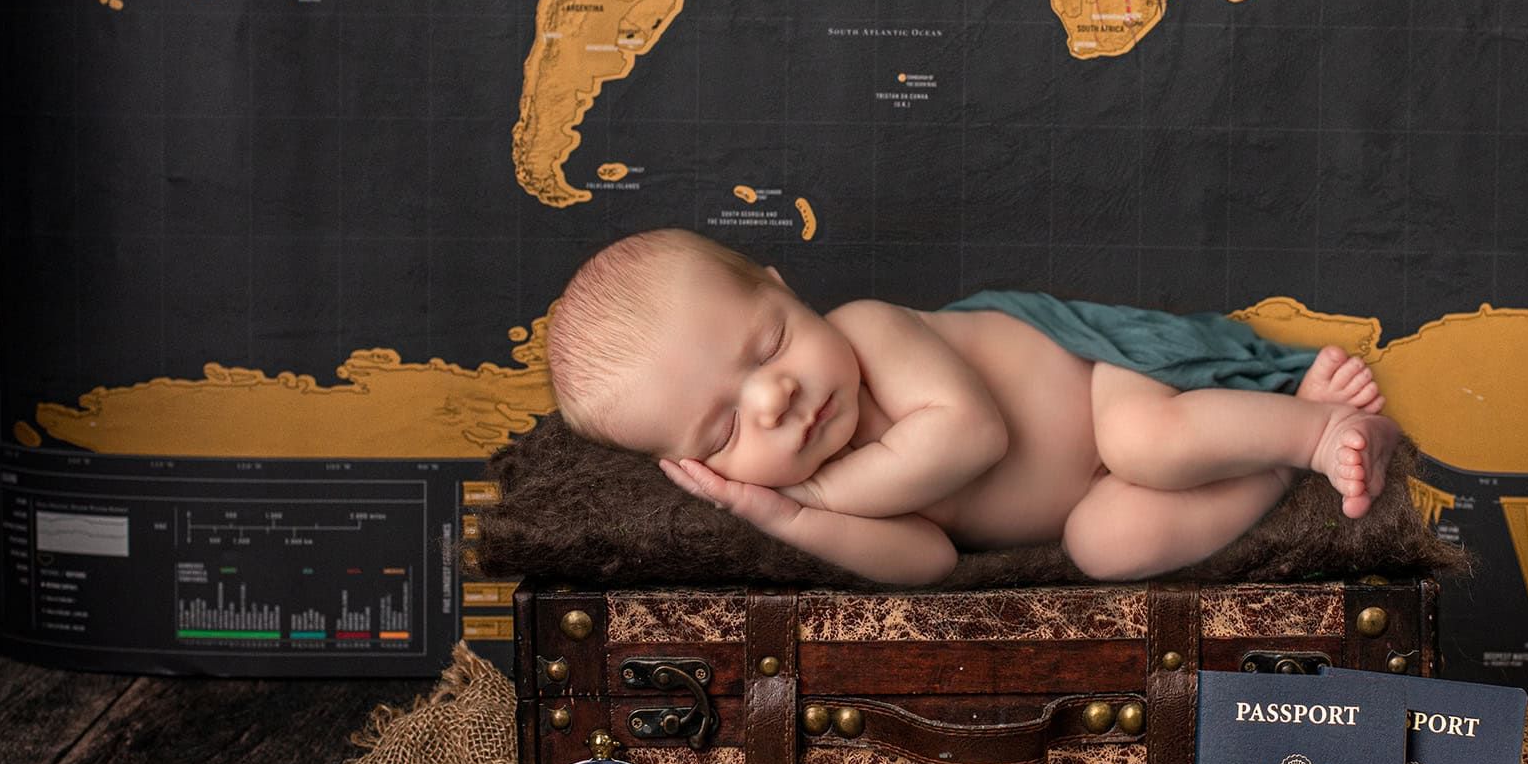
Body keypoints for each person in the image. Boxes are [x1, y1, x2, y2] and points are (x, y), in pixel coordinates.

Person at [544, 229, 1403, 587]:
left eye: (768, 345)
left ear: (784, 288)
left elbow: (971, 435)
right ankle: (1282, 471)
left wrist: (822, 495)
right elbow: (926, 559)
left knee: (1145, 441)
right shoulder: (814, 485)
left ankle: (1317, 423)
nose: (776, 398)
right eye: (725, 430)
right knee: (1104, 545)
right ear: (701, 467)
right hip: (1082, 491)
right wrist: (789, 520)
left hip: (1104, 380)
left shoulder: (868, 332)